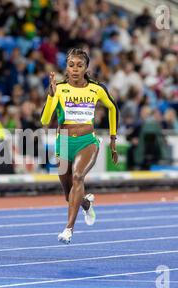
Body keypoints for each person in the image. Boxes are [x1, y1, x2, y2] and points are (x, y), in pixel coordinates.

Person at [41, 48, 119, 244]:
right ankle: (85, 203)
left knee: (78, 176)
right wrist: (51, 96)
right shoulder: (58, 88)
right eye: (71, 65)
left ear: (86, 68)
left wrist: (113, 139)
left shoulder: (96, 89)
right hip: (65, 141)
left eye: (79, 65)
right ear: (66, 68)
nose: (75, 69)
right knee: (69, 196)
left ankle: (68, 229)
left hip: (87, 141)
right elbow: (44, 119)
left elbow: (112, 108)